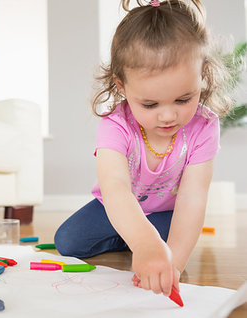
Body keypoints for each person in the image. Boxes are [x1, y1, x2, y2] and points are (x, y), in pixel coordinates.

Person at [54, 0, 233, 298]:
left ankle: (142, 238)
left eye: (183, 99)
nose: (167, 116)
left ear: (202, 75)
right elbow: (115, 187)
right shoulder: (115, 125)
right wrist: (145, 243)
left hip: (165, 211)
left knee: (171, 241)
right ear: (121, 86)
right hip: (115, 205)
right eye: (150, 104)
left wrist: (172, 264)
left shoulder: (204, 125)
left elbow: (193, 198)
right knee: (69, 241)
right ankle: (133, 236)